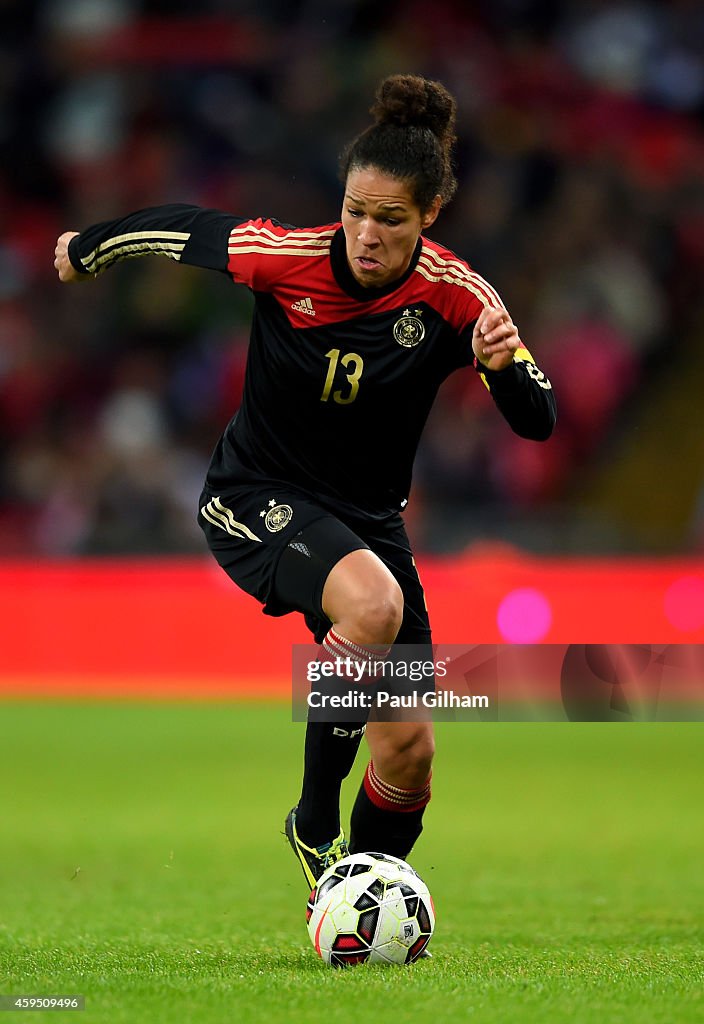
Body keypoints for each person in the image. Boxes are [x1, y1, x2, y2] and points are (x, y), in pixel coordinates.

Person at [54, 74, 555, 890]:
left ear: (429, 217)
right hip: (254, 496)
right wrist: (89, 248)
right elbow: (185, 228)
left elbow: (539, 420)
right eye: (355, 209)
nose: (365, 232)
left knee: (410, 750)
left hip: (369, 522)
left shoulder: (459, 296)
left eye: (390, 219)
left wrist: (504, 371)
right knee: (373, 604)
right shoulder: (283, 258)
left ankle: (358, 897)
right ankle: (315, 826)